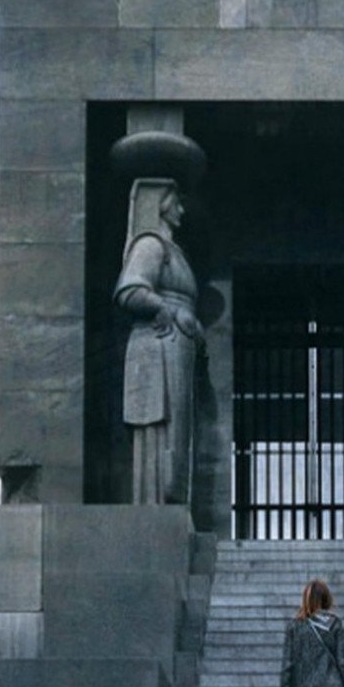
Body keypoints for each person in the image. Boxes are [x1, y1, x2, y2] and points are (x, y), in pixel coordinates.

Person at [113, 178, 203, 505]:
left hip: (178, 346)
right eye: (175, 203)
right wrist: (166, 309)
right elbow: (130, 290)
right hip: (160, 344)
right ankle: (154, 502)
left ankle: (173, 501)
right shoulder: (151, 245)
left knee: (177, 433)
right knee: (159, 427)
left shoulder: (174, 251)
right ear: (161, 206)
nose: (181, 210)